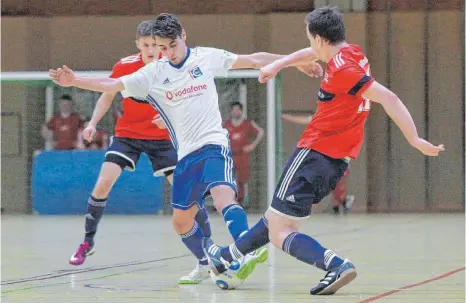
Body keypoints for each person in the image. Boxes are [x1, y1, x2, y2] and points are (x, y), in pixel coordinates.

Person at [50, 13, 322, 285]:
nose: (167, 53)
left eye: (172, 45)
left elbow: (253, 59)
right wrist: (74, 81)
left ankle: (244, 248)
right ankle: (208, 260)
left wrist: (293, 63)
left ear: (183, 36)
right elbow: (111, 85)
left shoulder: (205, 57)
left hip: (213, 143)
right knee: (180, 221)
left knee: (223, 197)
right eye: (161, 48)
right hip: (185, 153)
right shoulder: (153, 72)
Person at [203, 6, 444, 296]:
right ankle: (226, 257)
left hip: (314, 153)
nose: (309, 45)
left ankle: (336, 265)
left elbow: (388, 97)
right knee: (276, 218)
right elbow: (309, 54)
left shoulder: (344, 69)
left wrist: (415, 138)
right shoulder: (351, 53)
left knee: (281, 231)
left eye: (310, 39)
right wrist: (277, 65)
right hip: (335, 161)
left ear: (318, 37)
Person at [65, 20, 181, 273]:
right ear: (138, 44)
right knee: (104, 182)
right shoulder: (125, 66)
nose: (151, 49)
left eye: (155, 44)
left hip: (161, 139)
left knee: (183, 191)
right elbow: (107, 94)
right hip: (128, 135)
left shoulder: (170, 66)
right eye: (146, 44)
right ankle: (87, 241)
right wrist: (93, 123)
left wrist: (170, 117)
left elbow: (184, 98)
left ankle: (207, 248)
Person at [282, 113, 354, 215]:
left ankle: (343, 202)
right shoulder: (323, 119)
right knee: (331, 184)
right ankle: (342, 203)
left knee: (337, 184)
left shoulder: (341, 123)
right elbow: (306, 119)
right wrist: (288, 117)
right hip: (328, 160)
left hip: (339, 160)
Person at [223, 102, 264, 207]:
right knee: (228, 179)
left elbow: (260, 132)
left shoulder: (248, 123)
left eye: (238, 110)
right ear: (231, 111)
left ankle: (240, 203)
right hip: (230, 155)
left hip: (242, 155)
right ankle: (229, 202)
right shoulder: (225, 125)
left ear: (241, 111)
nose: (235, 112)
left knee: (241, 179)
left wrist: (252, 145)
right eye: (234, 110)